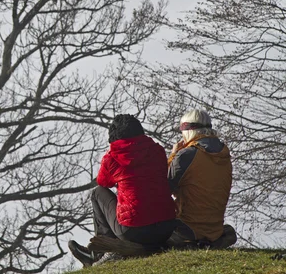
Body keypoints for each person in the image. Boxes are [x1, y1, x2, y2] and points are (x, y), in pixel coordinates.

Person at [68, 114, 176, 267]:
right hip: (167, 226)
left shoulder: (112, 158)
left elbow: (103, 182)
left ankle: (99, 253)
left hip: (133, 231)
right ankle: (106, 250)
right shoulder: (157, 150)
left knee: (97, 193)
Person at [167, 109, 237, 248]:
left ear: (188, 131)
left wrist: (173, 155)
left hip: (187, 228)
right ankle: (212, 242)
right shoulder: (224, 154)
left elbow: (164, 188)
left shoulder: (186, 155)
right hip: (215, 230)